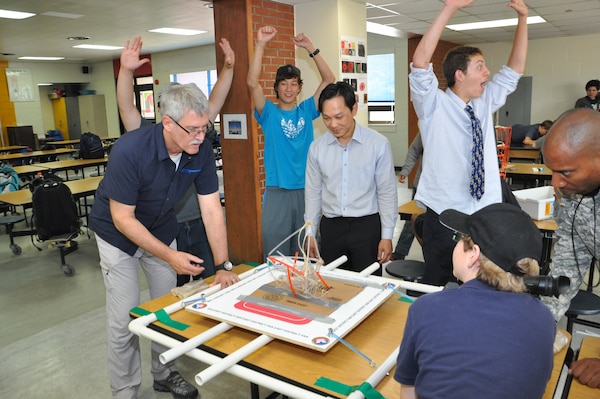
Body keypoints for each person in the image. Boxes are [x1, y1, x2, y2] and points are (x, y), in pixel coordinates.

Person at [89, 83, 239, 399]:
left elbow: (212, 209)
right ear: (167, 123)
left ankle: (164, 371)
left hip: (160, 228)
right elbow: (123, 219)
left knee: (166, 311)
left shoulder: (199, 151)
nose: (201, 136)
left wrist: (224, 265)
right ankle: (125, 390)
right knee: (125, 318)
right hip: (117, 235)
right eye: (193, 130)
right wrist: (171, 257)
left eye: (205, 128)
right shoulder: (130, 150)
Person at [409, 0, 529, 286]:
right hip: (446, 217)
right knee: (440, 286)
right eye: (480, 67)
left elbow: (515, 70)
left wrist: (523, 18)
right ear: (459, 75)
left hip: (484, 216)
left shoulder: (483, 102)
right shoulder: (433, 105)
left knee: (483, 286)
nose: (487, 72)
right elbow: (420, 63)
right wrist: (448, 9)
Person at [394, 203, 556, 399]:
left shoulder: (427, 308)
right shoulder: (544, 318)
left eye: (460, 239)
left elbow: (408, 390)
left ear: (474, 255)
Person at [116, 36, 237, 287]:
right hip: (170, 227)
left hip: (200, 220)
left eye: (202, 129)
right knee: (177, 287)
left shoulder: (195, 130)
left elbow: (216, 101)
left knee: (208, 282)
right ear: (167, 117)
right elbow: (126, 108)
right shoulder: (145, 137)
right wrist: (126, 72)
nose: (199, 136)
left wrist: (228, 68)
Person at [247, 25, 336, 260]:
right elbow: (251, 83)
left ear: (299, 87)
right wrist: (261, 45)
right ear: (276, 88)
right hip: (278, 191)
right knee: (276, 255)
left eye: (294, 83)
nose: (289, 88)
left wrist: (311, 48)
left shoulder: (307, 110)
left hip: (307, 190)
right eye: (284, 83)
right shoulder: (268, 113)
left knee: (306, 255)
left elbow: (329, 78)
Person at [304, 81, 397, 274]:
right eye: (326, 118)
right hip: (331, 228)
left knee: (369, 287)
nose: (333, 124)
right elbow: (313, 193)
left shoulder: (378, 144)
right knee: (334, 287)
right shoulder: (317, 148)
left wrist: (387, 235)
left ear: (354, 108)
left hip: (367, 226)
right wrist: (310, 232)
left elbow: (387, 192)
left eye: (339, 117)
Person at [539, 108, 600, 323]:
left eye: (565, 172)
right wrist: (542, 325)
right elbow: (568, 261)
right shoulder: (573, 192)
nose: (556, 183)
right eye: (552, 171)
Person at [392, 132, 423, 260]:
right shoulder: (428, 128)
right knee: (412, 219)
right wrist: (405, 170)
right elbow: (414, 150)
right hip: (422, 186)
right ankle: (400, 252)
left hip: (447, 190)